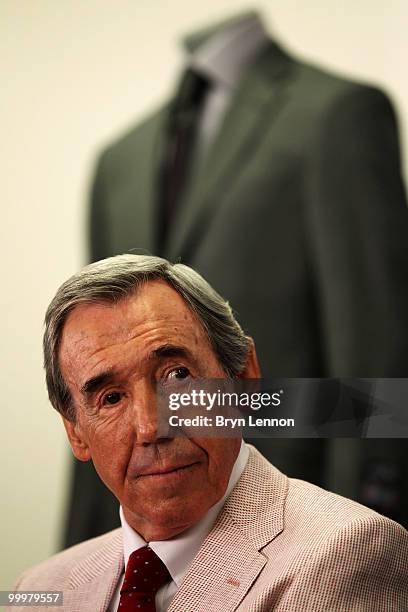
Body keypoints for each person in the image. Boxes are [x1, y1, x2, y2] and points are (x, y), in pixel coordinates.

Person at [67, 10, 408, 545]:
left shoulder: (337, 116)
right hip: (145, 535)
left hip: (295, 511)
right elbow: (91, 366)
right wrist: (78, 555)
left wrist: (363, 532)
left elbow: (372, 355)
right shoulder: (119, 162)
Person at [10, 254, 408, 611]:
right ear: (75, 432)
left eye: (177, 375)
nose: (151, 427)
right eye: (111, 398)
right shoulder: (38, 591)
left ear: (244, 377)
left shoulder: (348, 551)